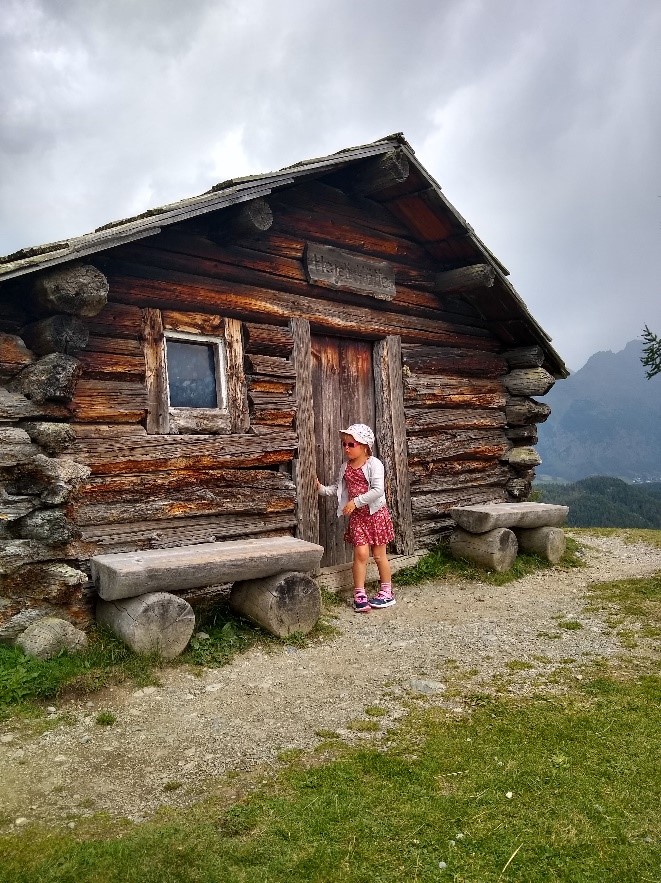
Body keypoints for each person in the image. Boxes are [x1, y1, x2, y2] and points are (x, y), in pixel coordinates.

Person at [317, 423, 396, 612]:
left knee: (378, 555)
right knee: (361, 554)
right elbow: (339, 488)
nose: (346, 448)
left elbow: (378, 490)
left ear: (365, 446)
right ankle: (359, 593)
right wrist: (321, 489)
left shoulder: (374, 464)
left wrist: (356, 502)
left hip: (376, 515)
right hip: (358, 518)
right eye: (344, 444)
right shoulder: (345, 467)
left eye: (351, 445)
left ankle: (387, 592)